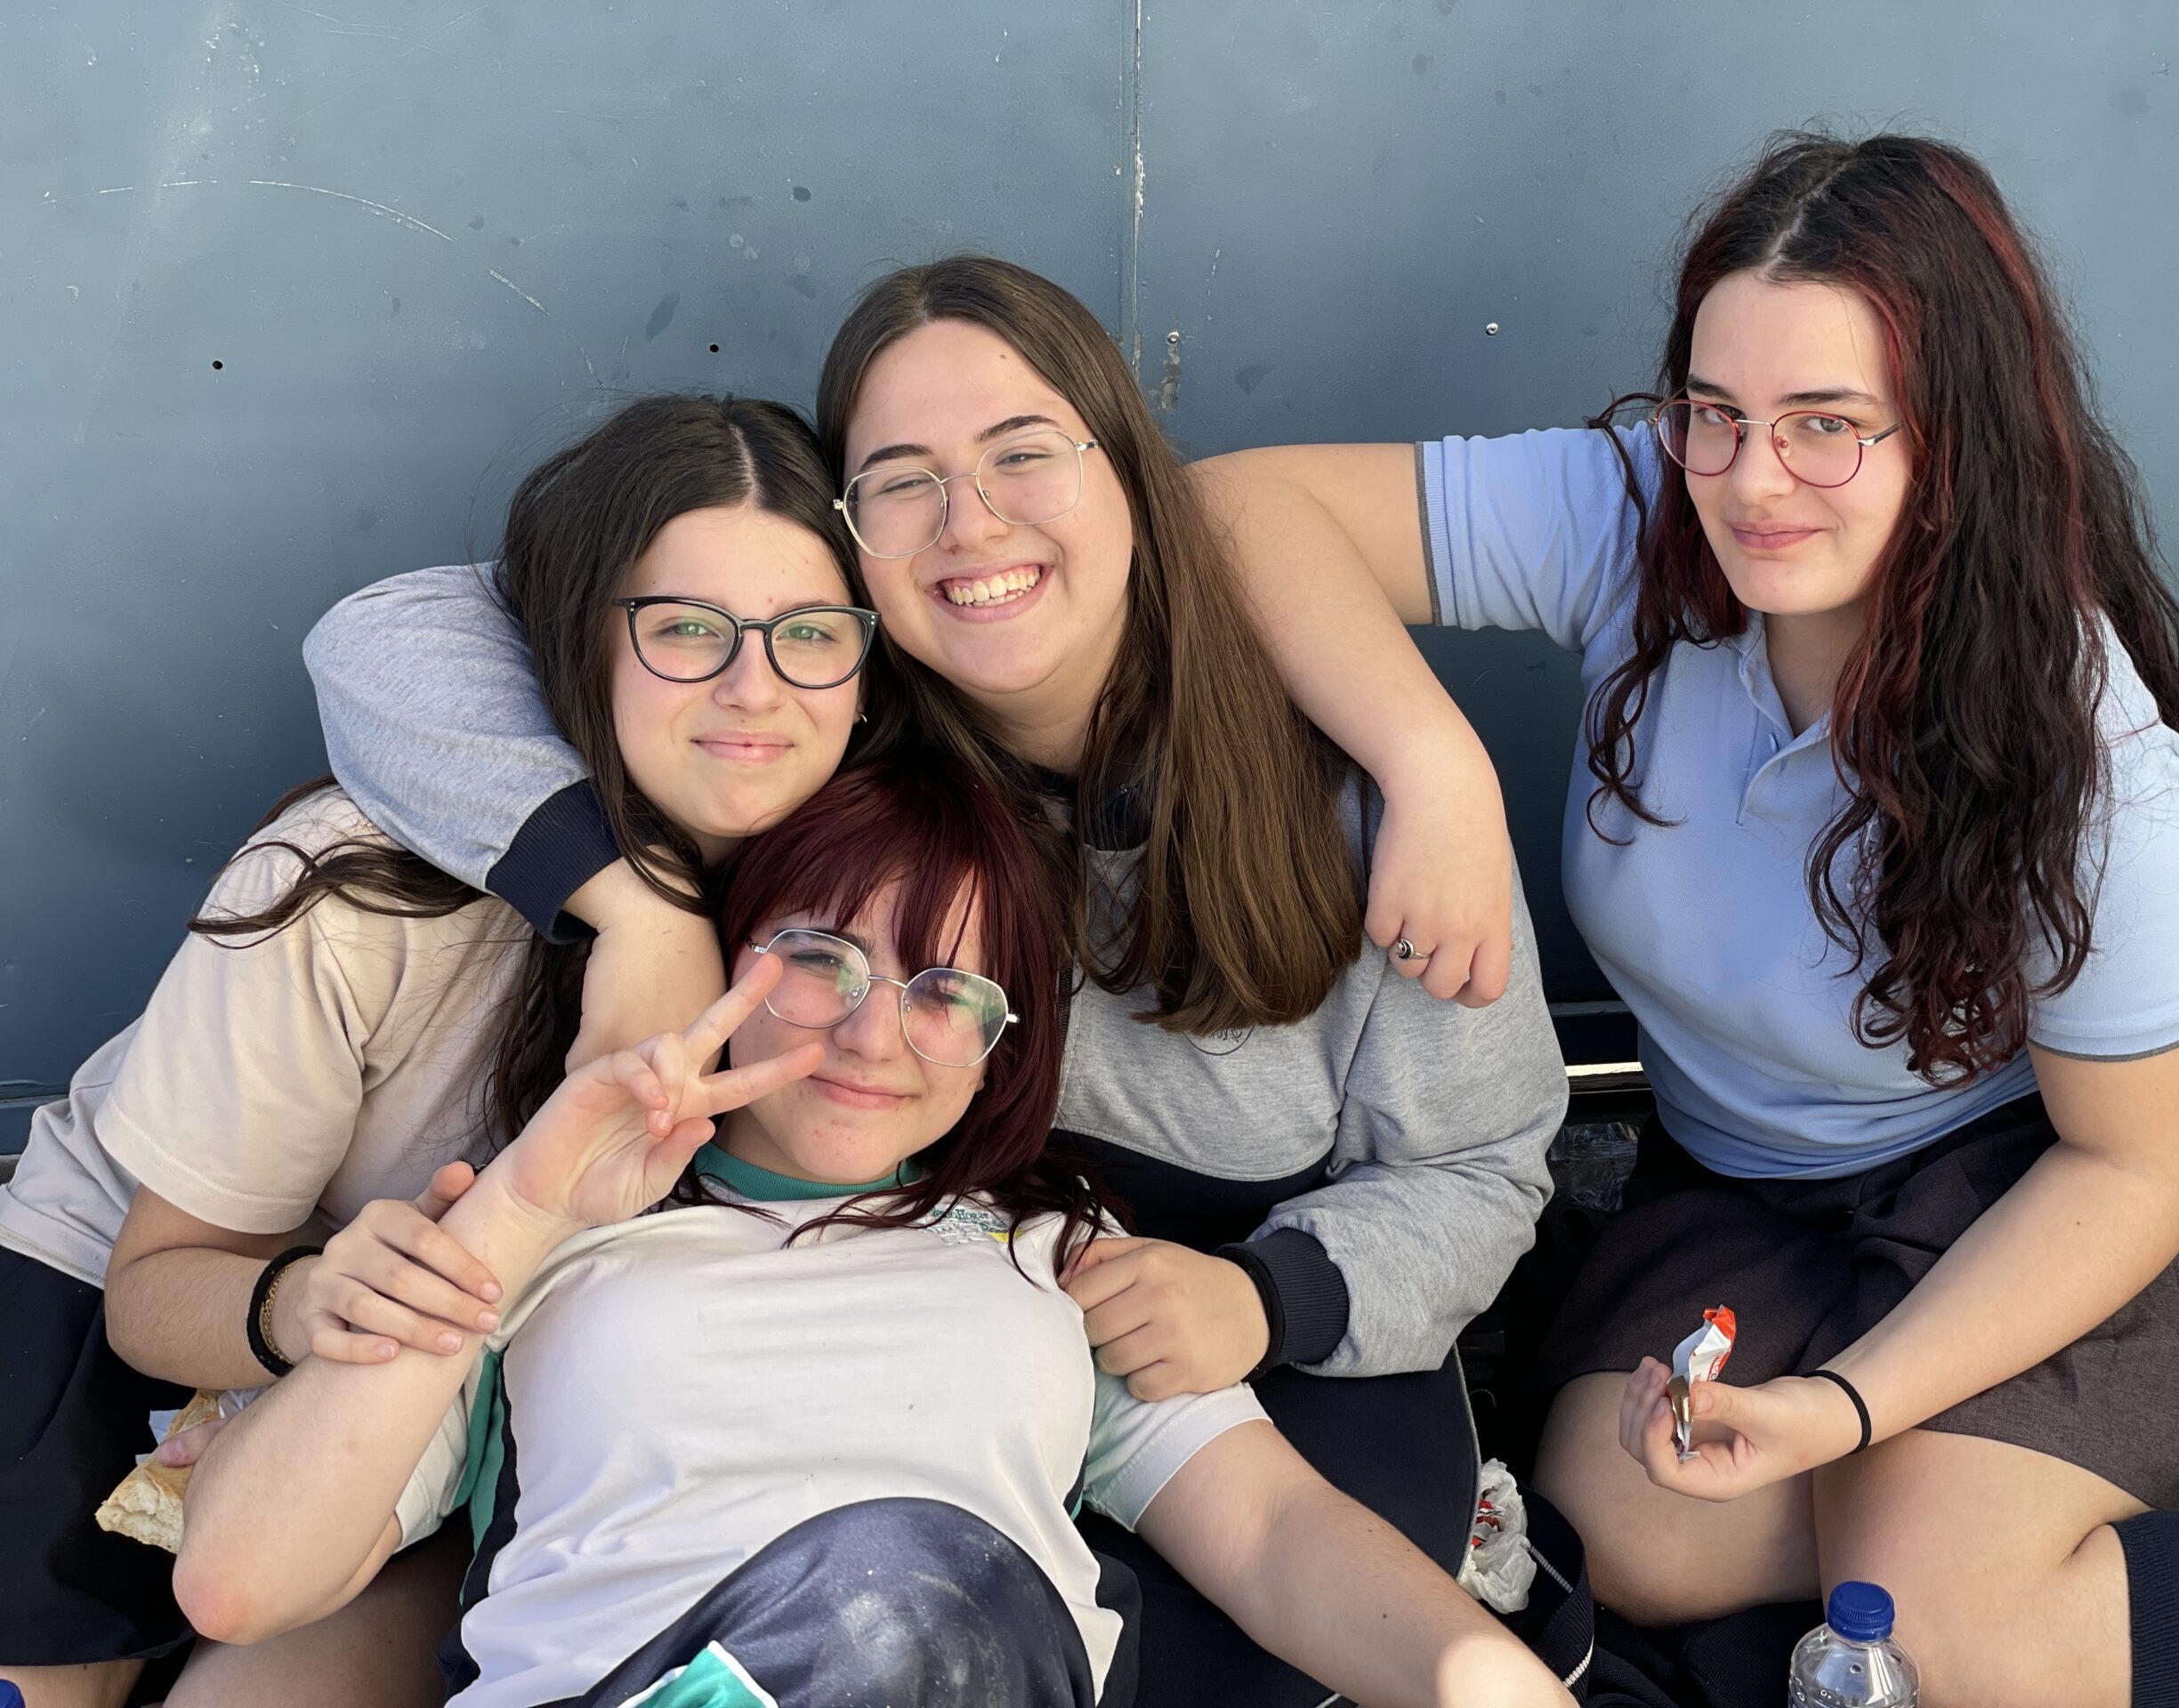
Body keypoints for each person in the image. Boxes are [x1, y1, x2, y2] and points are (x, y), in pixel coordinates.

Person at [297, 260, 1568, 1701]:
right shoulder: (831, 713)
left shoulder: (1349, 800)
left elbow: (1483, 1168)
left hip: (1239, 1339)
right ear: (850, 536)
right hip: (904, 1307)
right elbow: (389, 638)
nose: (970, 524)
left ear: (1129, 473)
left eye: (1025, 453)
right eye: (902, 482)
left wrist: (1267, 1297)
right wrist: (643, 914)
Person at [1198, 132, 2179, 1708]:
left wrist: (1846, 1409)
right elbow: (1235, 513)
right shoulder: (1648, 507)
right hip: (1756, 1188)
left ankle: (2009, 1540)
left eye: (1827, 425)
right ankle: (1965, 1505)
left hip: (2044, 1172)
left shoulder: (2084, 748)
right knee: (1628, 1529)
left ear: (1955, 440)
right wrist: (1435, 767)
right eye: (1717, 412)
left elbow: (2136, 1167)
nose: (1754, 481)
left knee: (1921, 1626)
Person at [172, 757, 1570, 1708]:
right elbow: (239, 1580)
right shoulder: (540, 1240)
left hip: (960, 1653)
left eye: (946, 993)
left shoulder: (1051, 1255)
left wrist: (1501, 1688)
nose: (872, 1033)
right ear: (722, 960)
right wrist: (526, 1206)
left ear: (1002, 1045)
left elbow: (1272, 1537)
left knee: (920, 1590)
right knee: (897, 1590)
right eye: (819, 959)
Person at [0, 394, 876, 1708]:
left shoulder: (873, 901)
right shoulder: (355, 886)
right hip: (161, 1306)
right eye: (686, 629)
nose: (754, 688)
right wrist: (305, 1303)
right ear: (583, 647)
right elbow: (157, 1293)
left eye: (808, 634)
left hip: (458, 1397)